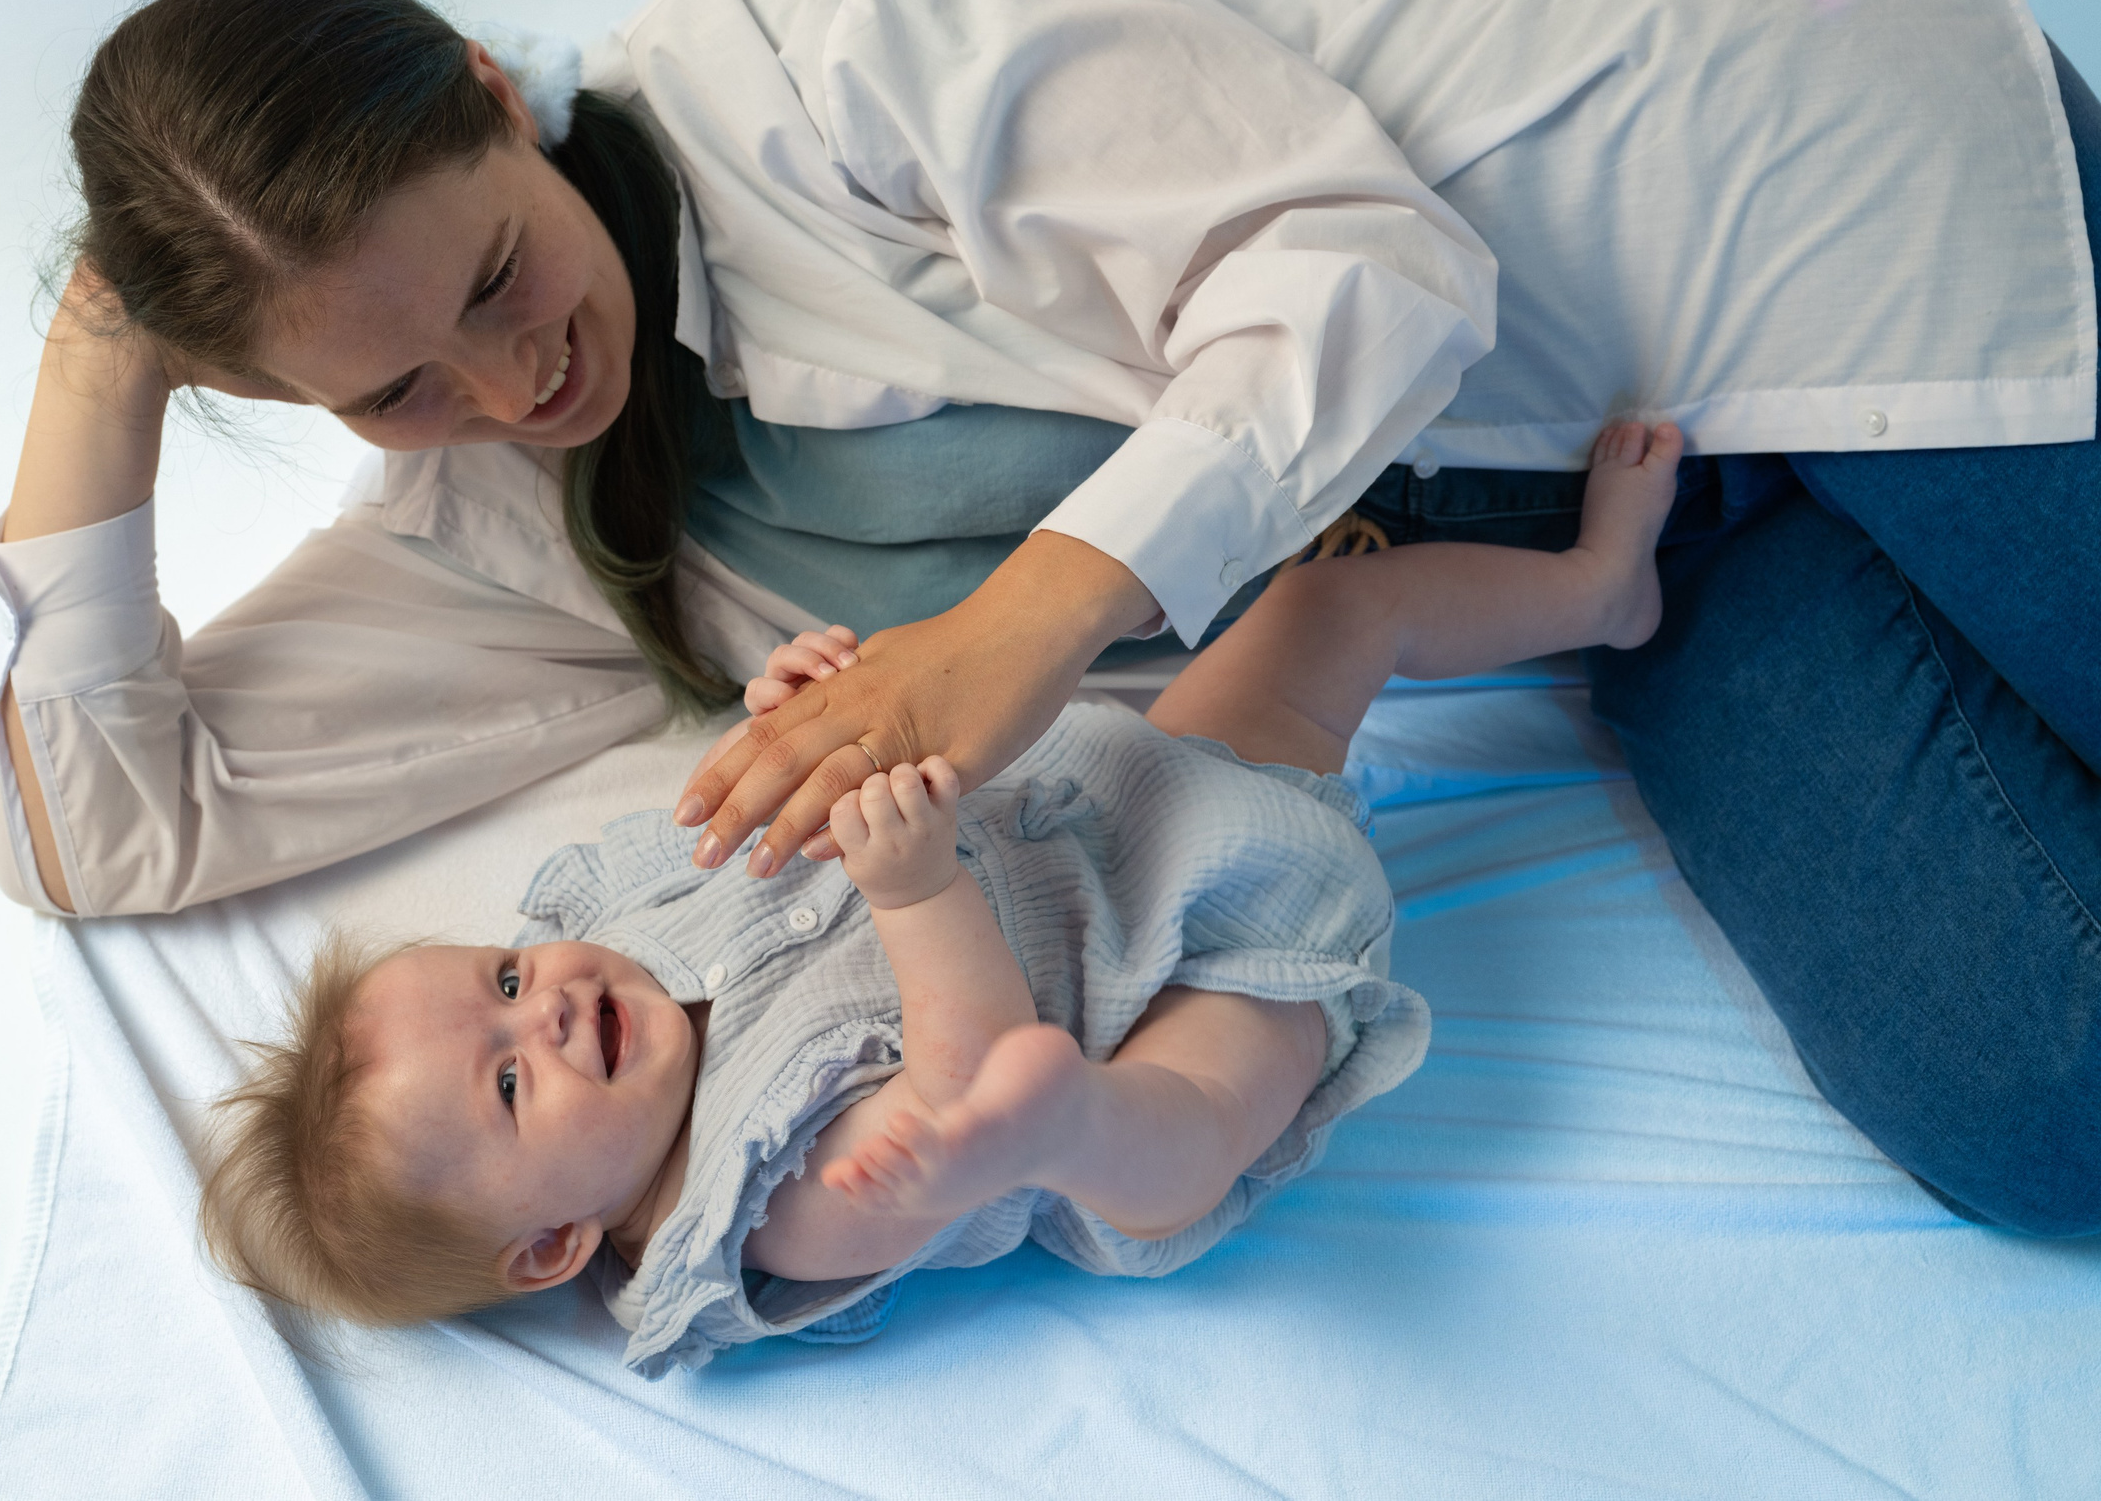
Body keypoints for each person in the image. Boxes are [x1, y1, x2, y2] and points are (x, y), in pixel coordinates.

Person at [0, 0, 2098, 1235]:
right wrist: (111, 334)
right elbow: (98, 822)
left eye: (499, 278)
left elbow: (1370, 271)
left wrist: (1021, 625)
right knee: (2034, 1102)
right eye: (392, 386)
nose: (509, 387)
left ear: (483, 96)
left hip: (1760, 207)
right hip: (1632, 541)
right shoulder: (517, 536)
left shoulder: (810, 28)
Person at [197, 424, 1685, 1375]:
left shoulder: (625, 937)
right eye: (512, 1082)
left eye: (503, 982)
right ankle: (1085, 1127)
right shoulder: (769, 1207)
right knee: (1167, 1136)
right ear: (552, 1249)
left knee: (1335, 607)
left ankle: (1602, 587)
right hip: (1197, 979)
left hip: (1139, 806)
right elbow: (961, 1073)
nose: (552, 1001)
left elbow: (760, 810)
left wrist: (787, 715)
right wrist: (912, 891)